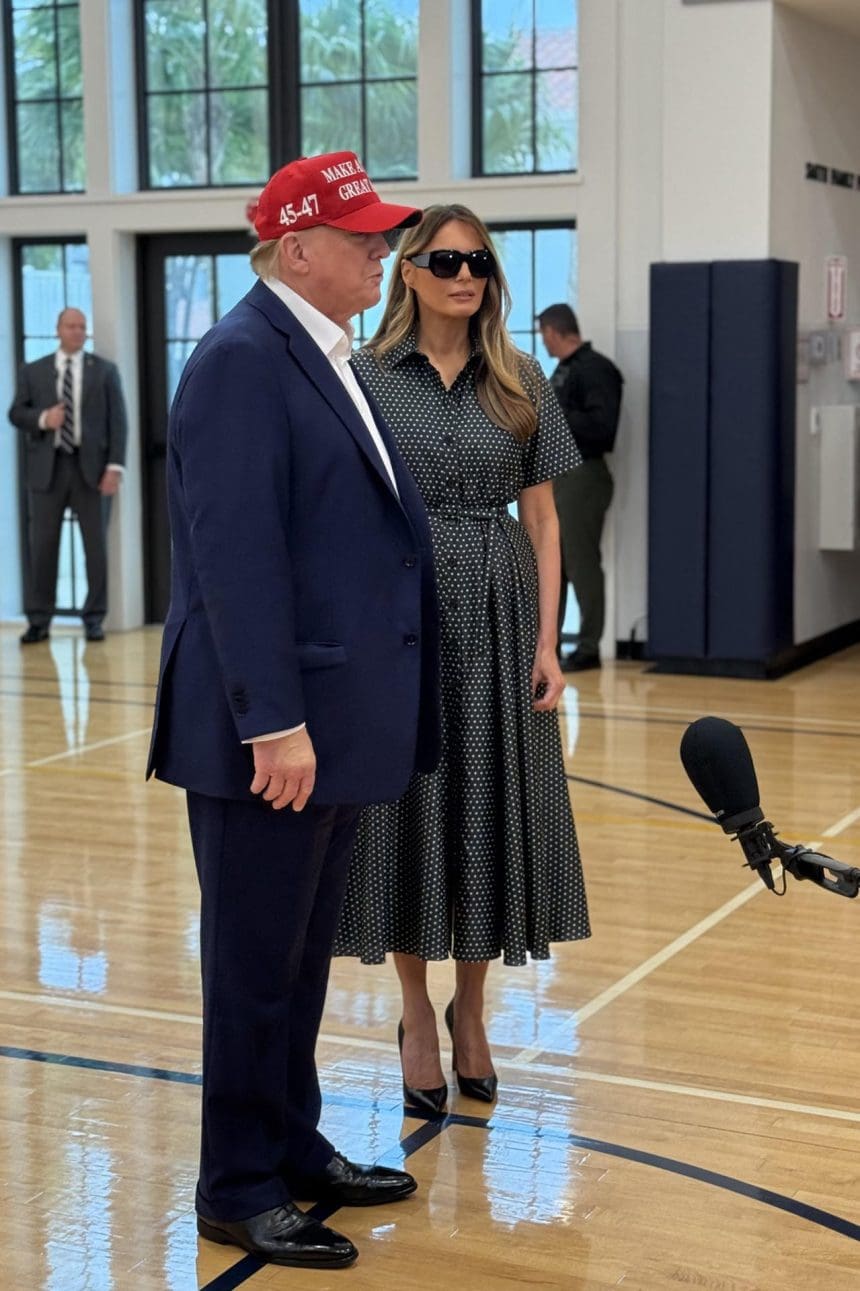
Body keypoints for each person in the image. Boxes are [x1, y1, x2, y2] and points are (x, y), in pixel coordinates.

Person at [146, 152, 440, 1270]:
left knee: (301, 962)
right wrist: (272, 719)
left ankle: (292, 1146)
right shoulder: (237, 361)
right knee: (252, 966)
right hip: (271, 735)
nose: (382, 251)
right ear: (297, 247)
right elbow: (236, 560)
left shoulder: (330, 354)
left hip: (331, 721)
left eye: (382, 234)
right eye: (362, 235)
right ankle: (236, 1183)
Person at [334, 205, 591, 1113]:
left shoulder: (521, 378)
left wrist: (548, 642)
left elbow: (546, 519)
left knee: (489, 807)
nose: (464, 275)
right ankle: (412, 1008)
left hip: (498, 605)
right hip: (399, 613)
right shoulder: (363, 376)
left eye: (478, 261)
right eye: (446, 260)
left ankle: (470, 1009)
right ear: (409, 271)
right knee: (406, 815)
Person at [8, 308, 127, 643]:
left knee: (95, 549)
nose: (77, 332)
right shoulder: (34, 371)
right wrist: (44, 419)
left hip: (92, 473)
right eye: (71, 326)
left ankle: (93, 619)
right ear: (57, 329)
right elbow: (16, 413)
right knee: (43, 547)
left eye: (82, 327)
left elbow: (119, 422)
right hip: (48, 471)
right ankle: (40, 620)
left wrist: (114, 468)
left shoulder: (104, 371)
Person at [537, 304, 623, 672]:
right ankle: (548, 644)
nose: (544, 342)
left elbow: (603, 428)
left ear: (554, 332)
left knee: (581, 561)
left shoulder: (595, 369)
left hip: (583, 474)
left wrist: (554, 411)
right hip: (560, 475)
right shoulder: (565, 371)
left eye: (544, 335)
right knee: (554, 561)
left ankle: (588, 645)